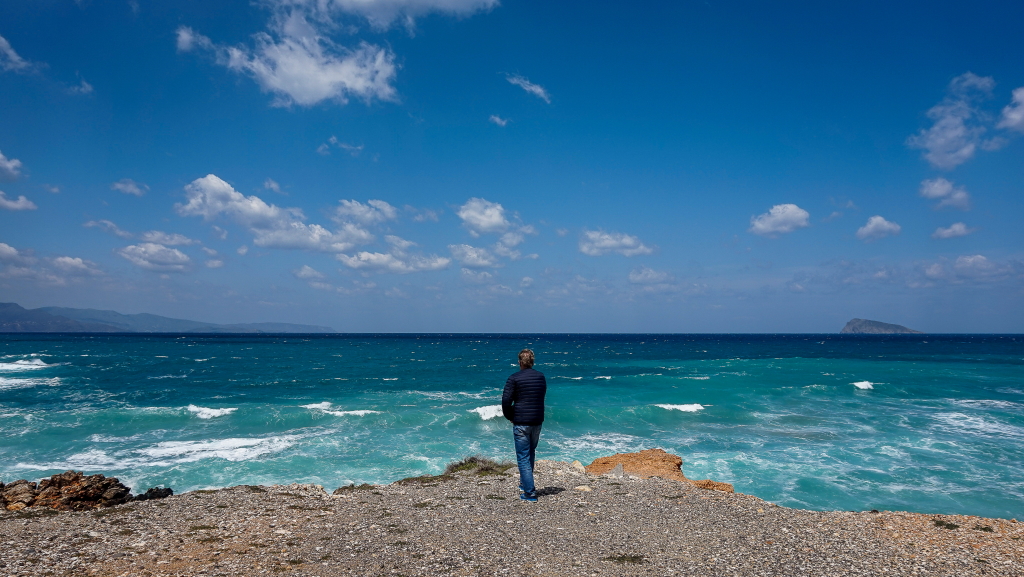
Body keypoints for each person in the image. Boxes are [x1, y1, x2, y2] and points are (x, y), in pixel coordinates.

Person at [501, 348, 547, 502]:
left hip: (521, 422)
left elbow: (506, 401)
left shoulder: (514, 378)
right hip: (537, 421)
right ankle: (525, 483)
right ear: (532, 362)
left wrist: (510, 416)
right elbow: (540, 397)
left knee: (523, 457)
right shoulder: (540, 377)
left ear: (519, 362)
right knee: (530, 452)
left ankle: (530, 492)